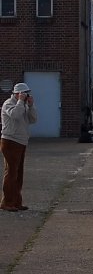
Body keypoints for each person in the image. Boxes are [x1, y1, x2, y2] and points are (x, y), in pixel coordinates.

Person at [1, 82, 38, 212]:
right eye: (24, 93)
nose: (26, 96)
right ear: (17, 94)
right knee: (11, 172)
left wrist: (31, 105)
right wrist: (20, 102)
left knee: (18, 173)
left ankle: (16, 201)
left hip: (21, 142)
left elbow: (33, 119)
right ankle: (7, 202)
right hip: (10, 141)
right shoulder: (9, 104)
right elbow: (15, 116)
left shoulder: (23, 105)